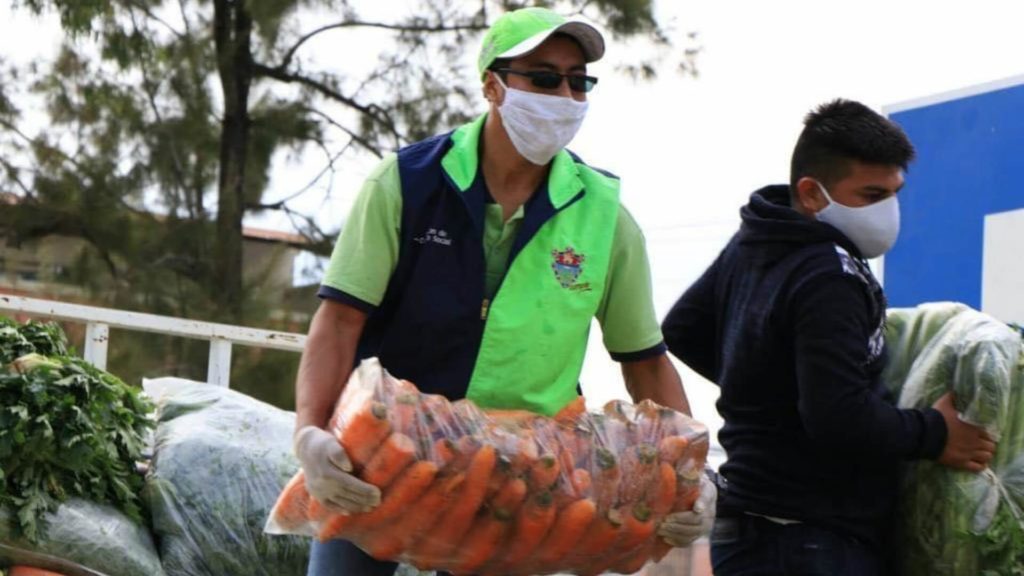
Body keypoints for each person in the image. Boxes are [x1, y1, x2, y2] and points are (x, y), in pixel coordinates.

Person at [292, 7, 715, 575]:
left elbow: (644, 361)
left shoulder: (605, 218)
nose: (565, 95)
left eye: (578, 81)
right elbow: (339, 320)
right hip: (381, 452)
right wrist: (310, 437)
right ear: (493, 85)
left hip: (522, 476)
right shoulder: (406, 184)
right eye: (544, 78)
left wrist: (691, 473)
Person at [661, 99, 996, 575]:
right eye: (870, 194)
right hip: (814, 538)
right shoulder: (828, 274)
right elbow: (837, 415)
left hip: (748, 531)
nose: (888, 211)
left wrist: (776, 389)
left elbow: (684, 329)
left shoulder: (759, 238)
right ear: (812, 194)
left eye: (894, 193)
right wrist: (936, 433)